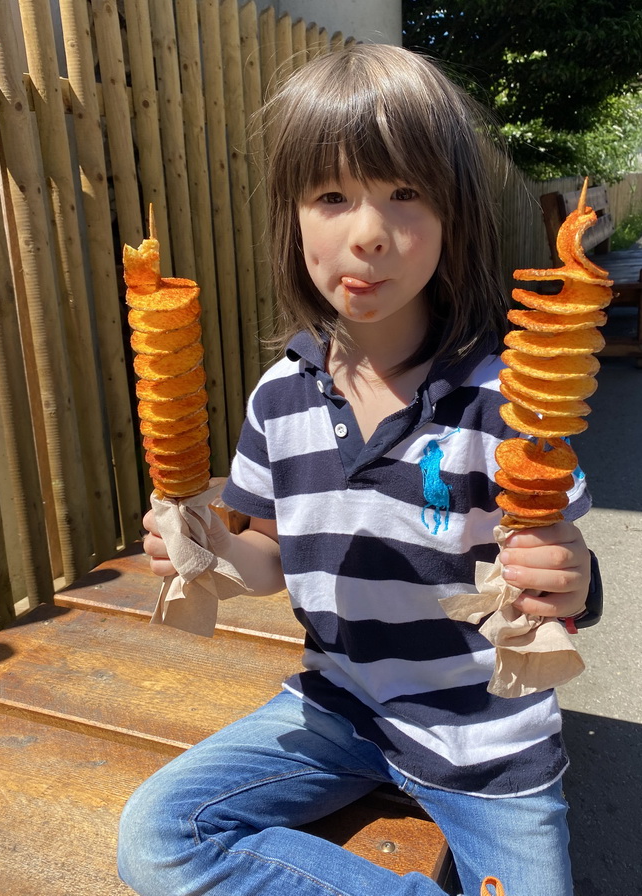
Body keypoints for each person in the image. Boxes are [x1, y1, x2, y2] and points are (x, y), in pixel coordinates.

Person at [116, 44, 596, 896]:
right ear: (293, 221)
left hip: (487, 742)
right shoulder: (279, 400)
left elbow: (560, 568)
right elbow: (267, 558)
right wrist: (209, 554)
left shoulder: (508, 401)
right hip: (340, 708)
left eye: (404, 194)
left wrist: (574, 578)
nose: (367, 231)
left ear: (455, 218)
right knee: (160, 837)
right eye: (331, 196)